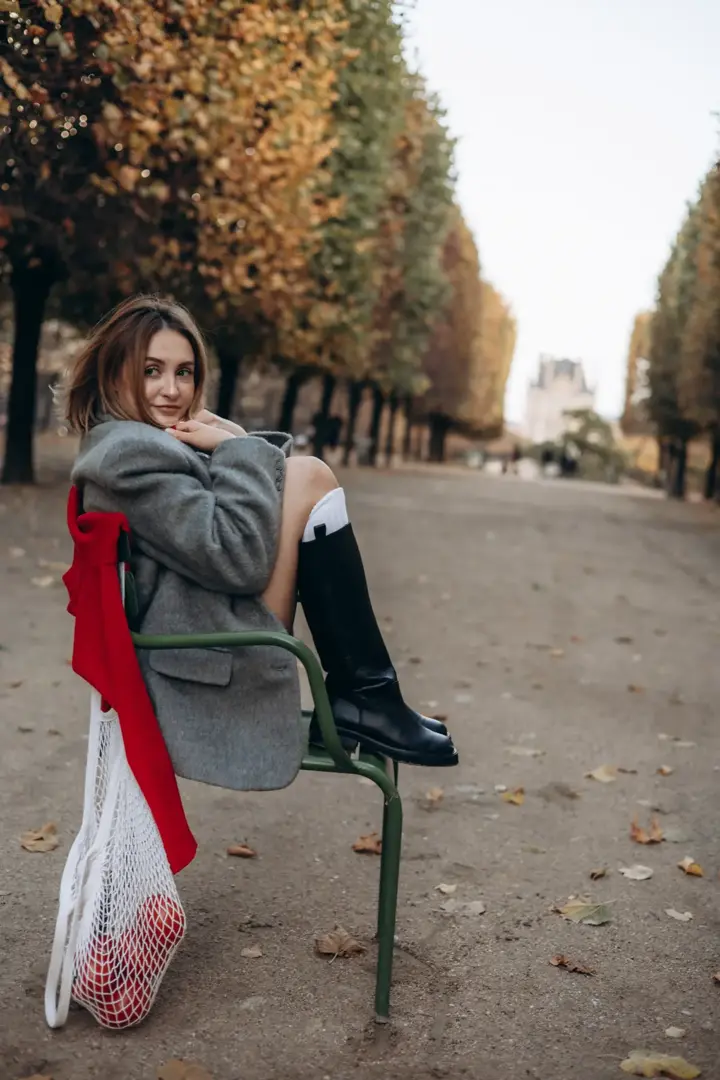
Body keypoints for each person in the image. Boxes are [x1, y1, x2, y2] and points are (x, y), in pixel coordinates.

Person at [63, 296, 458, 785]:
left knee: (307, 477)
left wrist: (235, 438)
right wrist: (237, 449)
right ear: (114, 374)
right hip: (212, 646)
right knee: (309, 476)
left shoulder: (141, 440)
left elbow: (250, 503)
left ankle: (367, 693)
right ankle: (366, 695)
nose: (171, 389)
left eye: (184, 372)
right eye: (151, 370)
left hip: (206, 621)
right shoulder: (128, 456)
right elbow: (240, 559)